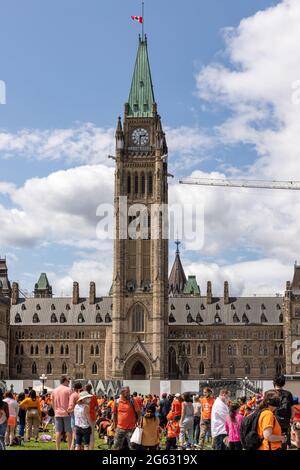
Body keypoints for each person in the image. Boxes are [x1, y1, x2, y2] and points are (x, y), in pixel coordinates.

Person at [273, 374, 294, 449]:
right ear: (284, 383)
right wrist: (291, 419)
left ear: (274, 382)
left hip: (273, 421)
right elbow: (292, 409)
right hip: (285, 421)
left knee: (273, 441)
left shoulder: (269, 393)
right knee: (284, 441)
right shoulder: (288, 394)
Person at [51, 376, 72, 450]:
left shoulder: (54, 390)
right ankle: (69, 448)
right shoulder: (68, 390)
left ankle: (58, 448)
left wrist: (55, 410)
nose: (69, 383)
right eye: (68, 381)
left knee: (58, 431)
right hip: (67, 413)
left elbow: (52, 402)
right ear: (65, 381)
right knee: (69, 431)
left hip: (57, 413)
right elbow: (71, 402)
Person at [68, 382, 82, 450]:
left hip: (74, 414)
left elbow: (70, 407)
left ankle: (73, 447)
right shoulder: (81, 395)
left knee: (74, 432)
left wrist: (68, 411)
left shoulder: (73, 395)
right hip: (81, 416)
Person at [85, 383, 98, 449]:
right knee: (92, 434)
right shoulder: (94, 396)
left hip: (84, 416)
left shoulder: (83, 397)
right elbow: (96, 407)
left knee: (85, 433)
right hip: (92, 416)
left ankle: (86, 448)